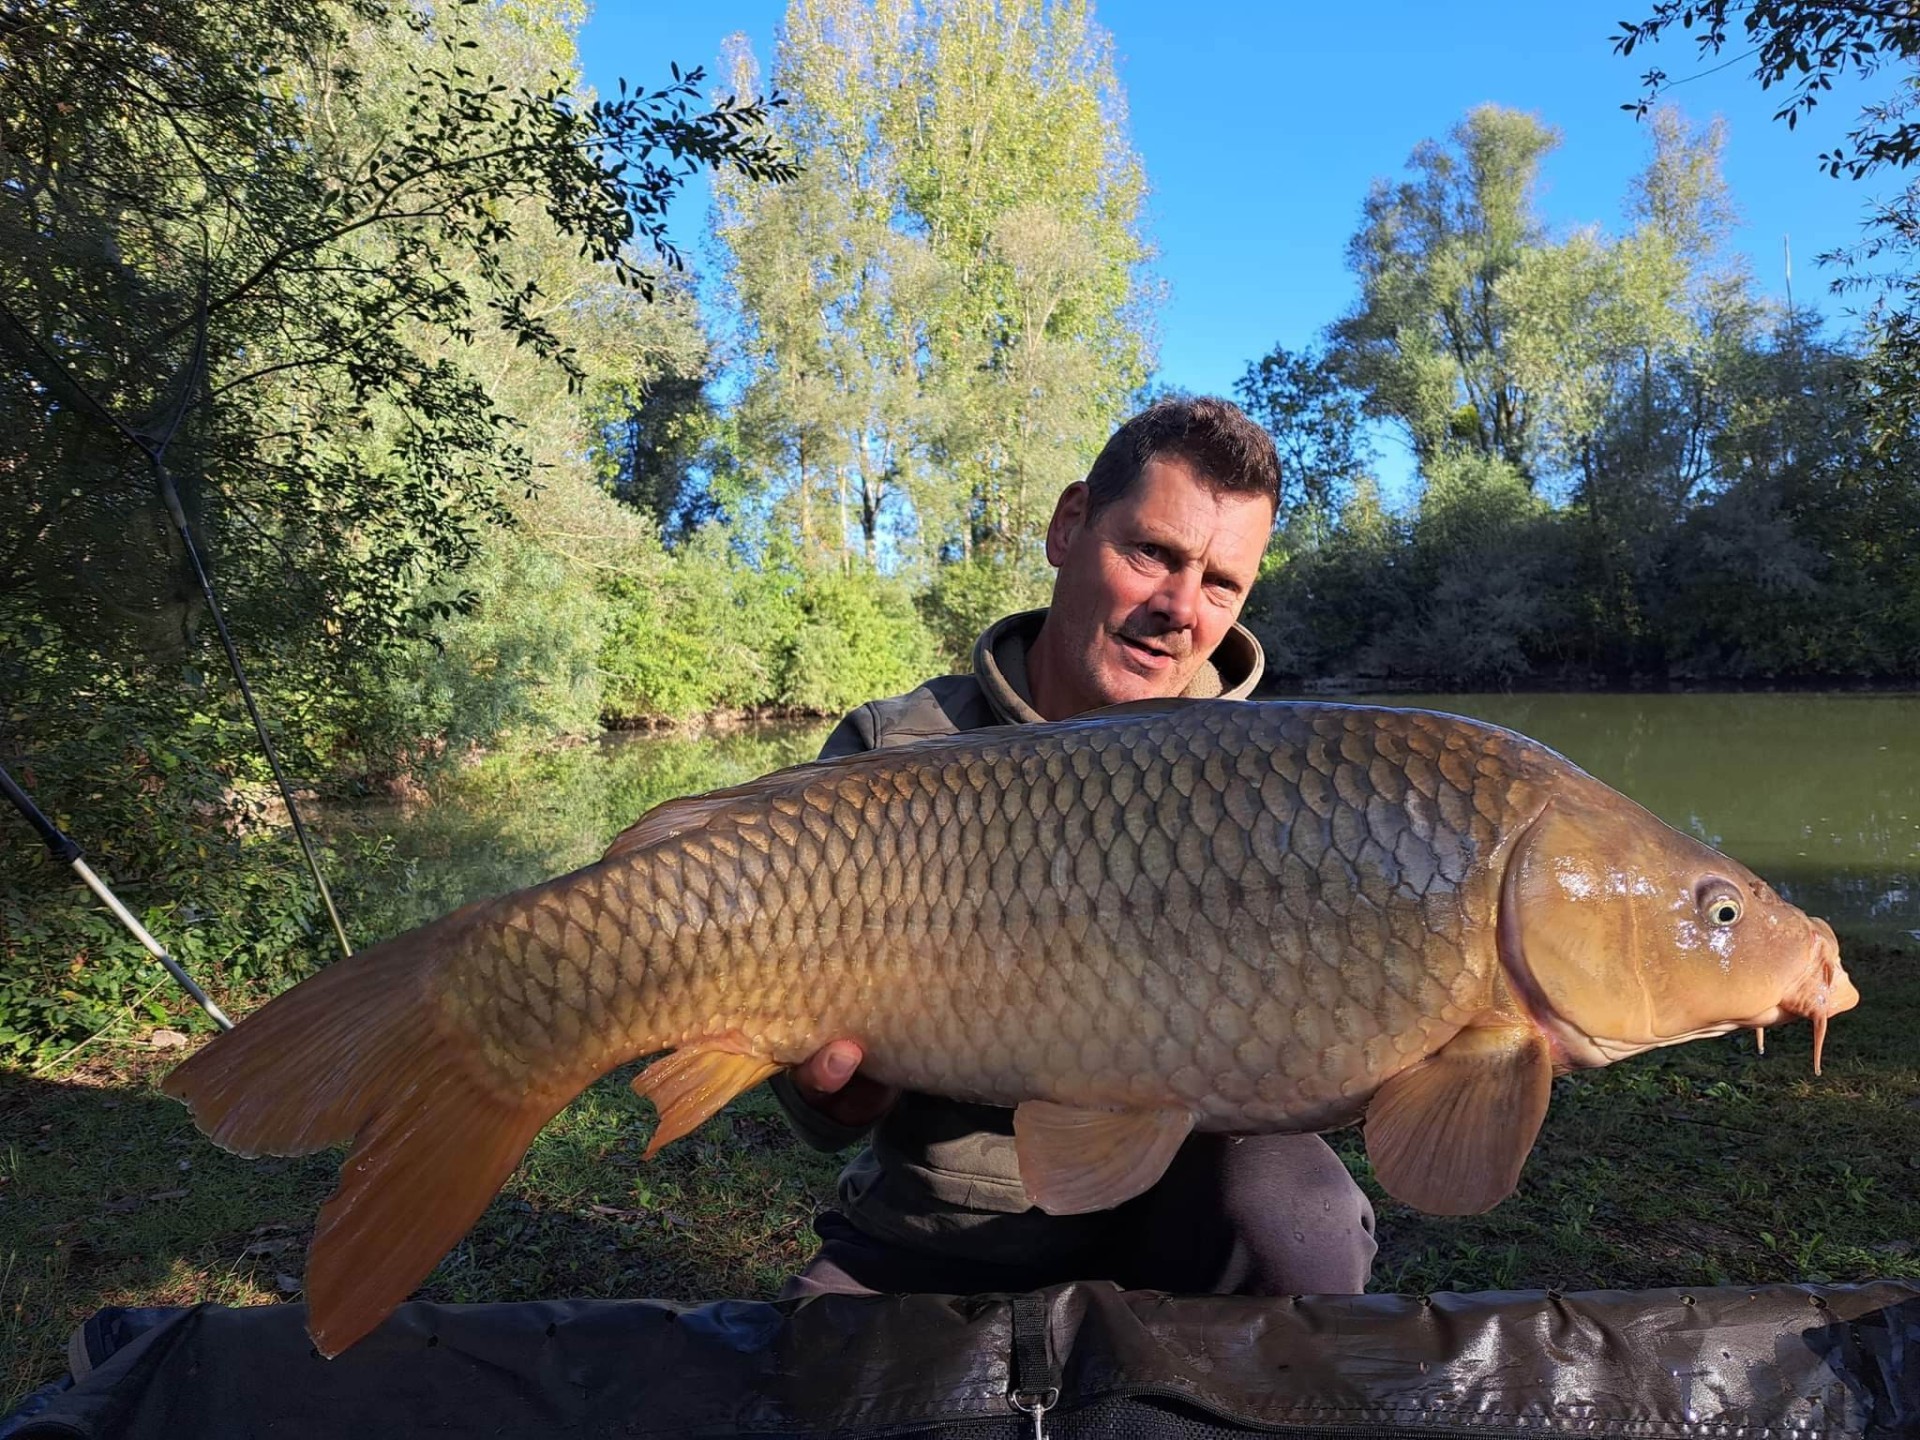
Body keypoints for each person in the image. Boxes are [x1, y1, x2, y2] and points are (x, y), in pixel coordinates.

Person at [769, 395, 1378, 1301]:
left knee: (1302, 1217)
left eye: (1221, 584)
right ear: (1069, 526)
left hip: (1195, 1203)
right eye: (1152, 554)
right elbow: (810, 1108)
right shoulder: (893, 755)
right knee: (814, 1392)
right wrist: (829, 1093)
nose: (1180, 608)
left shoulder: (1285, 787)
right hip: (952, 1226)